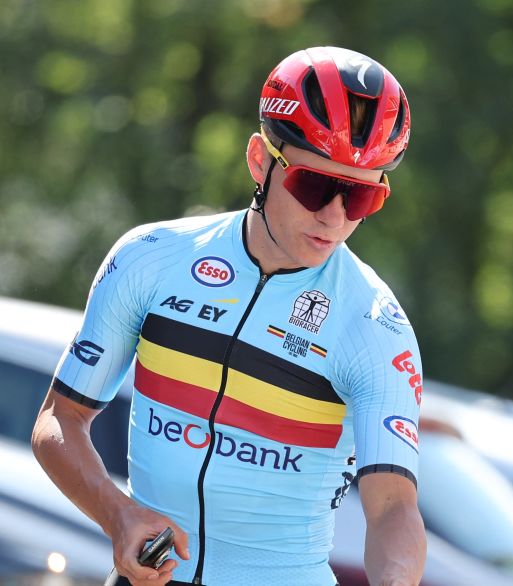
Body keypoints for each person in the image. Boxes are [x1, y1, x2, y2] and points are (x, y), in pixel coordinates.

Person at [32, 46, 426, 586]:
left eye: (360, 197)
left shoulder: (375, 324)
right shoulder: (151, 257)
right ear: (260, 161)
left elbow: (392, 509)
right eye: (315, 185)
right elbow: (60, 419)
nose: (334, 216)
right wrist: (116, 514)